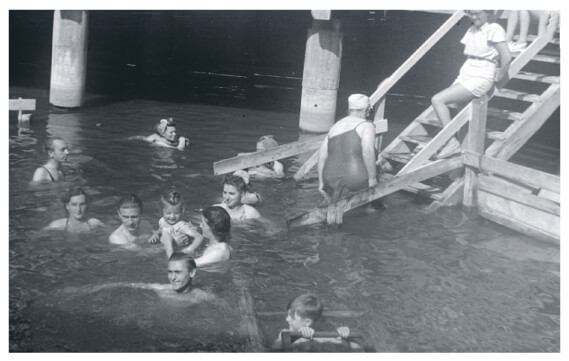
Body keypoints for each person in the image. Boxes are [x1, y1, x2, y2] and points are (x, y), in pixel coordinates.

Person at [431, 10, 511, 158]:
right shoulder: (471, 29)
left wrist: (498, 77)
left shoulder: (494, 29)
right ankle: (462, 156)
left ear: (487, 13)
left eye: (477, 13)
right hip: (466, 71)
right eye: (470, 14)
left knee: (437, 99)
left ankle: (450, 142)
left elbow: (506, 56)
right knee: (463, 116)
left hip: (481, 74)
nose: (474, 17)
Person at [318, 94, 378, 203]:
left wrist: (321, 182)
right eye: (369, 110)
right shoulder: (366, 126)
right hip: (354, 177)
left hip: (329, 178)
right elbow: (368, 152)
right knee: (373, 206)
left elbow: (322, 156)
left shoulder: (335, 126)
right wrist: (373, 179)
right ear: (365, 109)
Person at [270, 293, 361, 352]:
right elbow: (271, 352)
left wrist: (349, 338)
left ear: (307, 322)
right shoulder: (284, 334)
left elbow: (359, 352)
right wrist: (293, 338)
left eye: (292, 317)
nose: (287, 319)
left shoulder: (329, 338)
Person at [148, 190, 204, 258]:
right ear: (162, 211)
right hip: (170, 251)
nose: (172, 216)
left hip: (181, 255)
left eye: (176, 213)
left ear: (182, 211)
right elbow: (161, 228)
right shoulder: (162, 221)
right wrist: (156, 234)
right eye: (168, 213)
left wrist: (189, 249)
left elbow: (199, 237)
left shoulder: (181, 226)